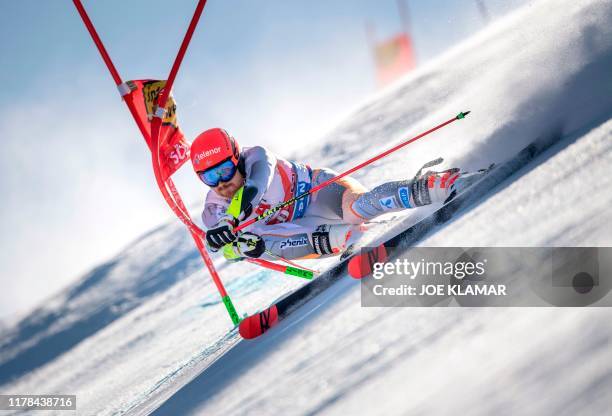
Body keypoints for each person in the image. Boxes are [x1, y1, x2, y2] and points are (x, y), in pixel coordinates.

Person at [192, 128, 466, 262]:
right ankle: (357, 239)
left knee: (357, 208)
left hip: (316, 191)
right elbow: (224, 248)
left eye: (224, 170)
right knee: (261, 242)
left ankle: (436, 186)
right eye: (208, 177)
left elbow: (255, 188)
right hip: (300, 228)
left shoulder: (257, 158)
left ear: (237, 159)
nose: (220, 184)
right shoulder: (214, 208)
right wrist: (234, 245)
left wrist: (231, 221)